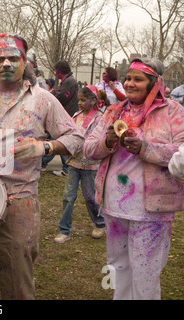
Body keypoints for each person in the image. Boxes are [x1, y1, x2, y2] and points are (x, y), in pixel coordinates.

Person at [0, 33, 84, 299]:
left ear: (24, 61)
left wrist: (44, 147)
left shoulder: (42, 99)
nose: (6, 64)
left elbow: (76, 137)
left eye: (13, 58)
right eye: (0, 59)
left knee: (17, 284)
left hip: (19, 201)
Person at [83, 57, 184, 300]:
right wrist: (107, 142)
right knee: (117, 267)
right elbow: (87, 149)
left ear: (154, 83)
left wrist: (145, 149)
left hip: (152, 209)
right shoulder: (113, 111)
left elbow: (182, 153)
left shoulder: (172, 111)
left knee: (145, 272)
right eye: (128, 78)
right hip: (114, 205)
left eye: (138, 79)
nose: (129, 83)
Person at [54, 85, 106, 243]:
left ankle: (100, 223)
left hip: (91, 165)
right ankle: (64, 230)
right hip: (74, 164)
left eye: (83, 100)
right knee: (68, 197)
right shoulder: (76, 116)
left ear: (93, 100)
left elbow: (97, 141)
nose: (79, 102)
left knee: (90, 197)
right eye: (79, 99)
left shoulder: (99, 119)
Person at [46, 60, 80, 176]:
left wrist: (51, 94)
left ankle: (67, 167)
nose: (55, 74)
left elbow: (61, 97)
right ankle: (45, 162)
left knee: (62, 140)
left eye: (56, 71)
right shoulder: (67, 81)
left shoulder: (69, 82)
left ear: (60, 71)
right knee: (57, 138)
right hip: (66, 114)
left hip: (67, 115)